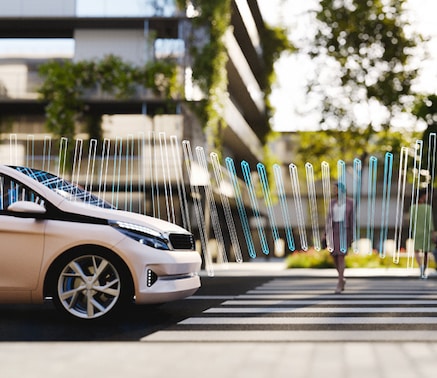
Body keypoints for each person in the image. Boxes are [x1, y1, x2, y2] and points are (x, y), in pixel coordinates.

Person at [325, 182, 354, 294]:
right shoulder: (332, 202)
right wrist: (325, 233)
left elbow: (352, 219)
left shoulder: (350, 202)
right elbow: (328, 219)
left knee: (341, 256)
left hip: (344, 230)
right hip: (333, 230)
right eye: (333, 189)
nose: (334, 190)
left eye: (336, 189)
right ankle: (341, 278)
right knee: (334, 256)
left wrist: (352, 235)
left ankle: (339, 282)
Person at [411, 189, 434, 279]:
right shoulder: (428, 208)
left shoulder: (413, 208)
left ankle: (420, 266)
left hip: (417, 232)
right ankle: (424, 269)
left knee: (416, 251)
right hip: (426, 233)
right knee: (425, 252)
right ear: (423, 196)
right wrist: (432, 233)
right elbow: (430, 222)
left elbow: (412, 223)